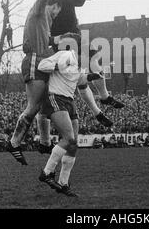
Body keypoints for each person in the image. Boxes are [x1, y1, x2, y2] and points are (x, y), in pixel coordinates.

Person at [36, 0, 124, 154]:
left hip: (72, 36)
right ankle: (100, 104)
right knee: (82, 77)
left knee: (91, 67)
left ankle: (104, 99)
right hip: (63, 41)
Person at [6, 0, 81, 165]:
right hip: (34, 60)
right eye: (56, 12)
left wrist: (65, 36)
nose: (55, 16)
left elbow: (46, 40)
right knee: (34, 106)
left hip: (42, 60)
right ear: (52, 5)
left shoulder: (45, 23)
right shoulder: (38, 12)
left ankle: (44, 142)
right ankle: (14, 143)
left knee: (45, 103)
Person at [37, 40, 103, 197]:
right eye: (89, 55)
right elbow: (42, 65)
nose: (90, 58)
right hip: (56, 97)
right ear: (81, 52)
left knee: (73, 145)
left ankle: (63, 183)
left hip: (69, 101)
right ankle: (46, 172)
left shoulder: (79, 65)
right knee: (68, 138)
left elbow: (79, 79)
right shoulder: (66, 55)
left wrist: (94, 76)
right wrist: (58, 66)